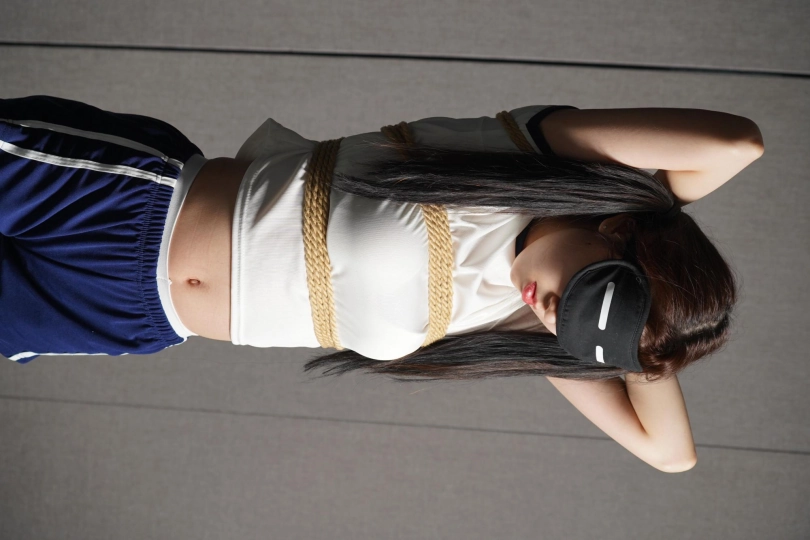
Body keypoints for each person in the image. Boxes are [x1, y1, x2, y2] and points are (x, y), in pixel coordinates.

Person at [0, 95, 764, 471]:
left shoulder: (516, 324)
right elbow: (736, 145)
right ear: (619, 230)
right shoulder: (526, 158)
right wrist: (650, 216)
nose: (554, 312)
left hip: (131, 313)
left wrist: (642, 345)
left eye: (573, 327)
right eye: (588, 294)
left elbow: (671, 454)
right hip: (132, 204)